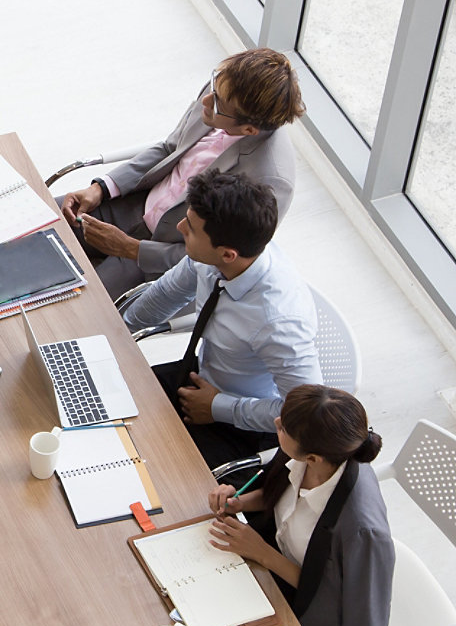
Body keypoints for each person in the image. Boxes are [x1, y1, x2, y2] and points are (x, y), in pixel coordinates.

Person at [61, 49, 302, 299]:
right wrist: (101, 187)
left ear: (249, 129)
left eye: (217, 102)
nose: (206, 101)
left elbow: (218, 258)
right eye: (213, 88)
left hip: (162, 256)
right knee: (40, 221)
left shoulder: (269, 181)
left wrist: (132, 249)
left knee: (78, 306)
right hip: (133, 205)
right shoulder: (220, 90)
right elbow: (170, 148)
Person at [120, 170, 320, 468]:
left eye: (190, 229)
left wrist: (219, 408)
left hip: (241, 424)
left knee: (148, 467)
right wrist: (115, 331)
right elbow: (167, 294)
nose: (179, 227)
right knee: (106, 406)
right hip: (201, 378)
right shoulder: (215, 257)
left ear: (228, 254)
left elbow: (304, 417)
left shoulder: (279, 323)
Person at [207, 384, 393, 626]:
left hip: (302, 614)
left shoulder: (361, 532)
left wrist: (260, 552)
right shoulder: (312, 452)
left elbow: (334, 604)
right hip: (268, 568)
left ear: (314, 457)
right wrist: (239, 503)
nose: (277, 424)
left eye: (283, 427)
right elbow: (278, 492)